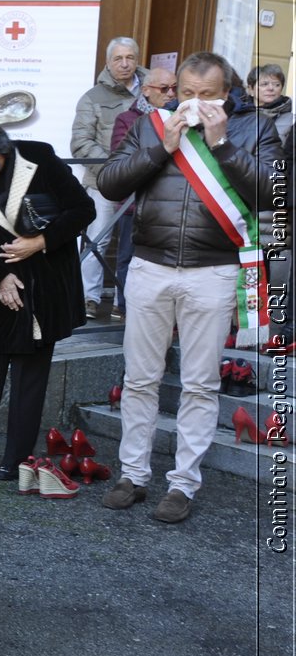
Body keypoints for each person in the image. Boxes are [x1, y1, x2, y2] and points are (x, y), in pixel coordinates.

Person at [96, 50, 279, 523]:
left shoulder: (253, 128)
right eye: (189, 94)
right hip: (151, 266)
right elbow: (110, 183)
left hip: (213, 272)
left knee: (199, 385)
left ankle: (183, 484)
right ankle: (132, 474)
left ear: (228, 94)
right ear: (175, 91)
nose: (197, 103)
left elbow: (276, 193)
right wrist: (163, 147)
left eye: (209, 95)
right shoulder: (151, 124)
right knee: (139, 378)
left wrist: (222, 146)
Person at [0, 117, 94, 479]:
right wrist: (0, 278)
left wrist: (40, 242)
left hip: (43, 281)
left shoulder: (39, 158)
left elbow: (82, 209)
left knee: (32, 374)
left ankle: (15, 460)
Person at [71, 37, 147, 319]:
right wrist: (114, 171)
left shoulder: (152, 90)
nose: (125, 63)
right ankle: (87, 299)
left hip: (142, 183)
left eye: (130, 57)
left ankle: (123, 302)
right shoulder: (93, 98)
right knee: (97, 239)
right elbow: (80, 142)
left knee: (135, 243)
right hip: (103, 182)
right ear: (108, 62)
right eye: (118, 58)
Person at [108, 67, 179, 318]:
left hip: (170, 204)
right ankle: (125, 308)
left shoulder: (182, 117)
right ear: (146, 91)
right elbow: (122, 159)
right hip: (134, 202)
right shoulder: (128, 119)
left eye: (174, 87)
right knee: (128, 256)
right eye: (164, 88)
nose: (171, 93)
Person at [249, 64, 292, 146]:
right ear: (251, 89)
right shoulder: (238, 114)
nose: (271, 88)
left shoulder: (291, 120)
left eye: (276, 84)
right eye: (264, 84)